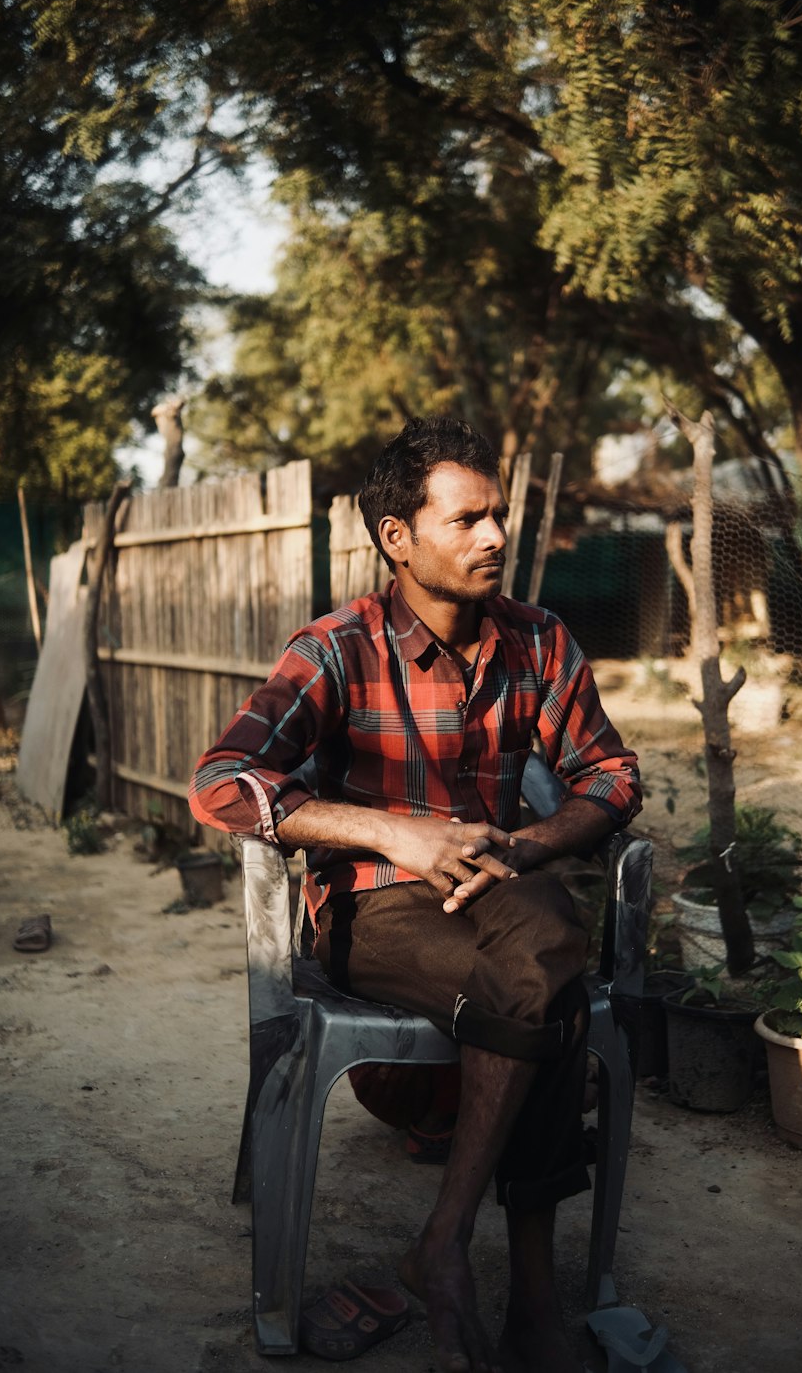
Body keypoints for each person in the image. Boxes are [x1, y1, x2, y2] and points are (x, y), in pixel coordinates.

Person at [189, 415, 641, 1373]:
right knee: (553, 956)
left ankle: (446, 1246)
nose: (495, 538)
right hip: (376, 913)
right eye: (468, 518)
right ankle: (528, 1295)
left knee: (543, 959)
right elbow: (223, 781)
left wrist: (523, 844)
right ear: (397, 537)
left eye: (500, 516)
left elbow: (611, 777)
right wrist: (393, 830)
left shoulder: (537, 642)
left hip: (504, 897)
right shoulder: (337, 650)